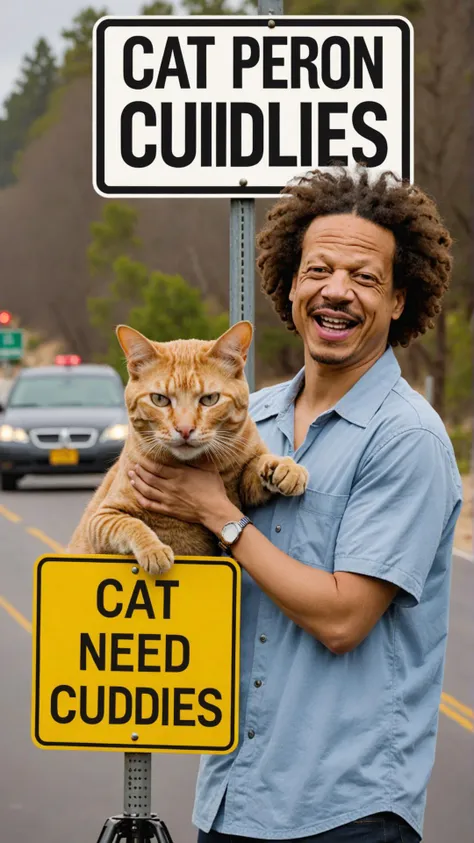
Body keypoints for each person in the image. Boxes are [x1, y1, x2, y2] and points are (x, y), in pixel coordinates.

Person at [127, 169, 463, 843]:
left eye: (364, 278)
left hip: (345, 810)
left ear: (399, 300)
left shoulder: (408, 439)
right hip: (231, 795)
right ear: (290, 284)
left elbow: (343, 618)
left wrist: (217, 513)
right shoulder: (249, 421)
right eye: (319, 269)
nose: (336, 290)